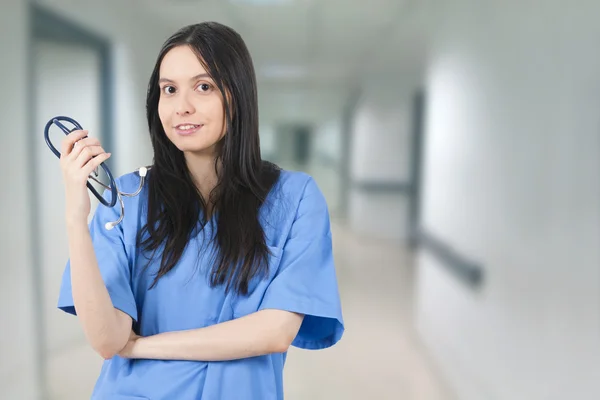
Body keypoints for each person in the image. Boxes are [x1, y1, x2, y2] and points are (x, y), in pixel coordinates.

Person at [56, 21, 344, 399]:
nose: (182, 107)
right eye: (169, 90)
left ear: (236, 96)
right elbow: (108, 339)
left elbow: (275, 331)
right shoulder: (128, 197)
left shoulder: (294, 197)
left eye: (203, 87)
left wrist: (142, 346)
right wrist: (77, 217)